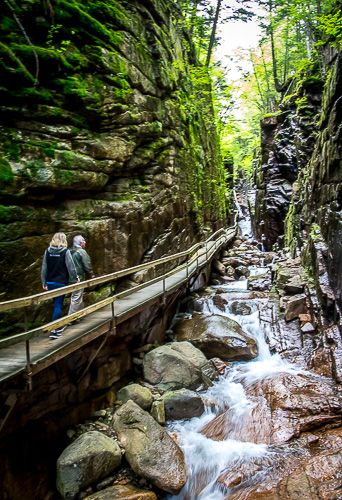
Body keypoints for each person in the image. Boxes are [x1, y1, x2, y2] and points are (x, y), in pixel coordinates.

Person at [41, 232, 78, 339]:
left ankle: (56, 329)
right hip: (61, 282)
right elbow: (71, 267)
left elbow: (44, 268)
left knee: (55, 304)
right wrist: (75, 279)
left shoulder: (47, 251)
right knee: (58, 305)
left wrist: (44, 282)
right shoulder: (65, 252)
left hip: (50, 283)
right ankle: (55, 329)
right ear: (64, 240)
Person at [68, 235, 95, 319]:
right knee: (76, 297)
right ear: (80, 242)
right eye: (83, 241)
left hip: (70, 278)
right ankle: (71, 319)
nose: (85, 242)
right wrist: (92, 275)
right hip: (78, 278)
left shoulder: (69, 251)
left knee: (78, 296)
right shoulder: (81, 251)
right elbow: (87, 265)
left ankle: (80, 316)